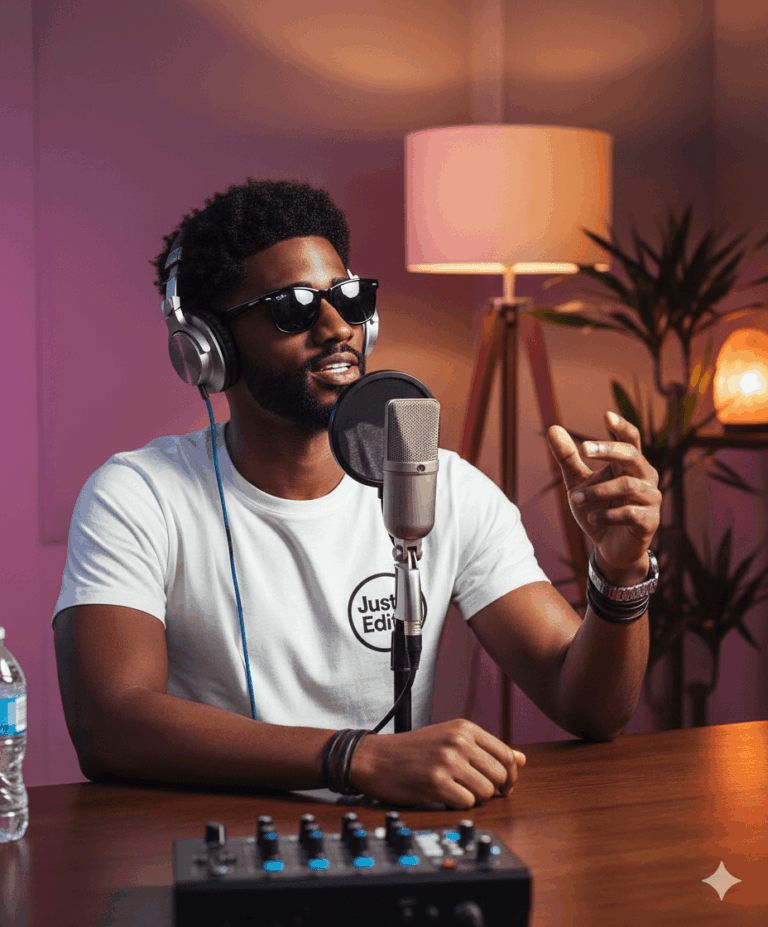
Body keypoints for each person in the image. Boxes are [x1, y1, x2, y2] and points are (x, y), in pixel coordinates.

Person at [52, 179, 661, 810]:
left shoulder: (443, 484)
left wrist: (620, 573)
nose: (338, 327)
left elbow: (590, 707)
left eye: (350, 297)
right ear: (210, 348)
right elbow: (109, 724)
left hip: (390, 853)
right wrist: (356, 757)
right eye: (293, 307)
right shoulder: (138, 496)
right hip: (219, 850)